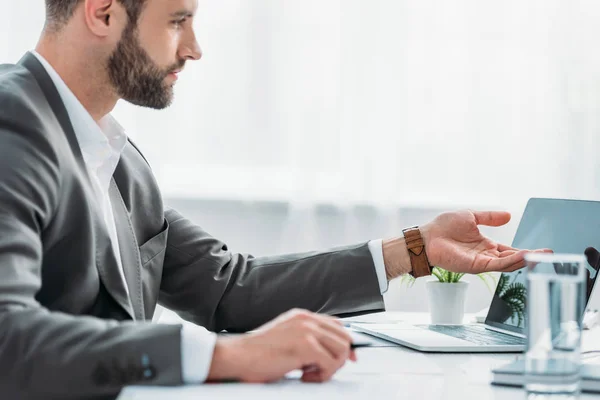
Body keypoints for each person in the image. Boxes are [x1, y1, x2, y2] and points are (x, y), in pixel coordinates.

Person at [0, 1, 547, 399]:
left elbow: (229, 288)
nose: (194, 47)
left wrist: (415, 250)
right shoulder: (12, 128)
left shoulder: (114, 156)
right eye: (177, 20)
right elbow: (7, 340)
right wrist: (224, 357)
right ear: (102, 13)